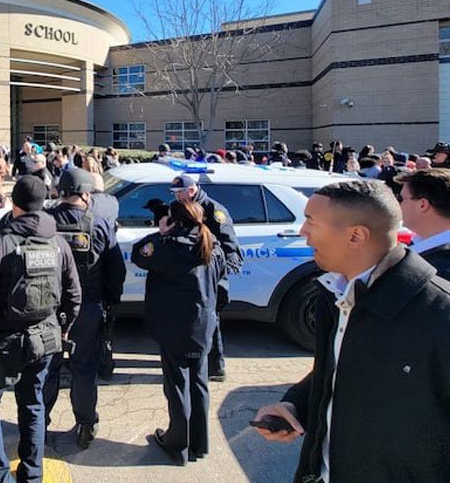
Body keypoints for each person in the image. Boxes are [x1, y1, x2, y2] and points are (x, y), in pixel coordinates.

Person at [253, 180, 450, 483]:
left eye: (310, 222)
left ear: (356, 236)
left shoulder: (439, 314)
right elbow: (341, 369)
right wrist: (295, 404)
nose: (302, 232)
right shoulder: (334, 293)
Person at [0, 176, 82, 483]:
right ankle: (32, 474)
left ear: (14, 205)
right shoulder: (59, 243)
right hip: (44, 339)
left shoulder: (0, 244)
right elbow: (74, 295)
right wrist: (64, 328)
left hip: (1, 342)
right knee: (33, 403)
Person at [131, 199, 226, 465]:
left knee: (177, 387)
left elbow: (139, 255)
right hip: (203, 323)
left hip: (173, 327)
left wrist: (160, 232)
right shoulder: (211, 244)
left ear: (174, 220)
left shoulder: (166, 246)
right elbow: (220, 274)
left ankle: (178, 444)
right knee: (199, 384)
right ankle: (200, 443)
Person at [44, 168, 126, 449]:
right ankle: (86, 424)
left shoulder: (45, 223)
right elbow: (117, 270)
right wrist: (111, 301)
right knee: (84, 369)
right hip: (87, 309)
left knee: (47, 368)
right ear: (86, 194)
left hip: (48, 310)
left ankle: (37, 424)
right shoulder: (99, 224)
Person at [170, 174, 242, 382]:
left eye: (178, 193)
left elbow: (229, 244)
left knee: (210, 319)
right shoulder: (180, 207)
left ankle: (216, 367)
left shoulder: (214, 210)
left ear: (191, 191)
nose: (175, 197)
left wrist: (220, 272)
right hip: (189, 274)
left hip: (209, 273)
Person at [396, 168, 450, 279]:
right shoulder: (420, 247)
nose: (398, 204)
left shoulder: (439, 270)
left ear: (422, 204)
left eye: (401, 198)